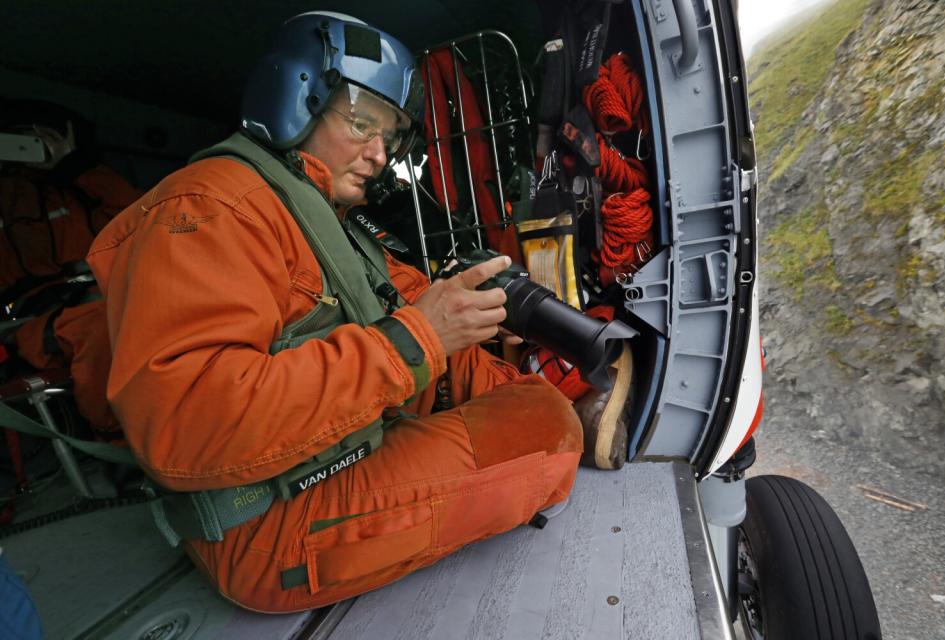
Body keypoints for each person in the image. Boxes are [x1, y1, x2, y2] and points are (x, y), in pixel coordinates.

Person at [86, 12, 583, 612]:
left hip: (329, 461)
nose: (379, 154)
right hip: (268, 522)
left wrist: (469, 317)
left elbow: (405, 311)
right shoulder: (211, 208)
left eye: (392, 135)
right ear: (293, 97)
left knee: (517, 395)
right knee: (548, 432)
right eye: (360, 123)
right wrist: (421, 336)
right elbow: (188, 424)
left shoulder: (326, 218)